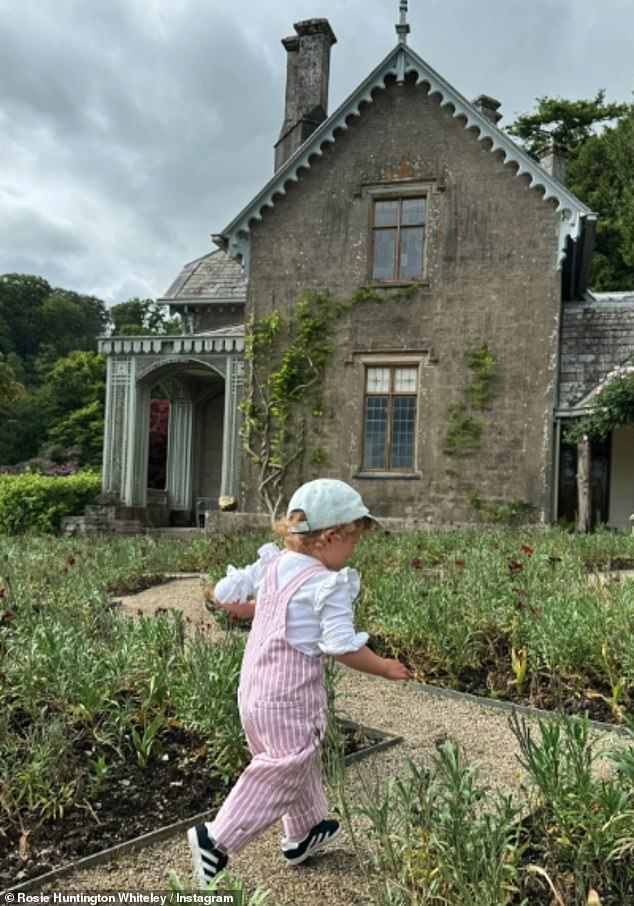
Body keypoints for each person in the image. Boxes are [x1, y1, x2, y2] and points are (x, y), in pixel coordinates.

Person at [187, 478, 411, 887]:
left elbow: (228, 597)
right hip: (287, 697)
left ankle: (304, 831)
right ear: (330, 537)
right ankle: (215, 840)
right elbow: (341, 646)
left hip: (253, 692)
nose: (354, 550)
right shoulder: (327, 584)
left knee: (297, 757)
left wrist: (254, 607)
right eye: (354, 540)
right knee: (284, 764)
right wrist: (383, 667)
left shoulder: (274, 564)